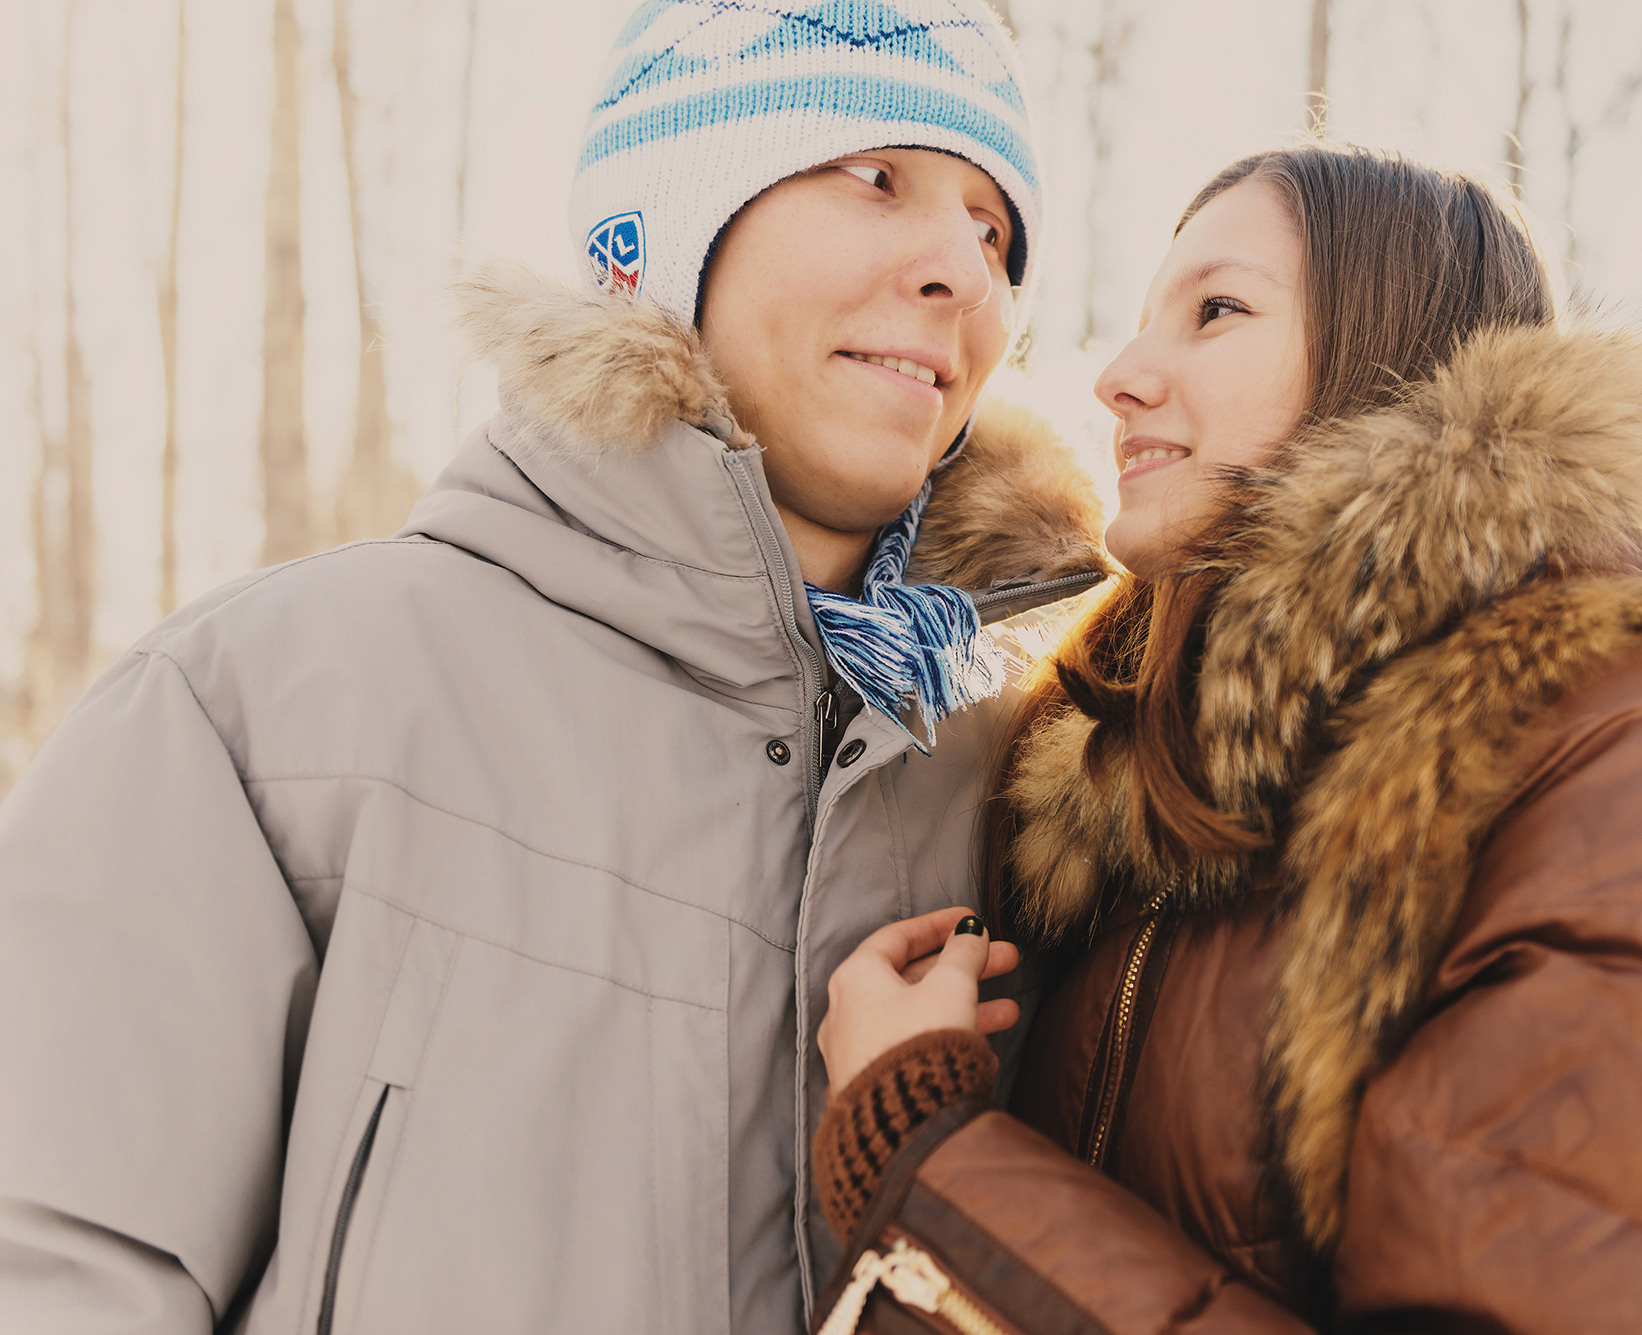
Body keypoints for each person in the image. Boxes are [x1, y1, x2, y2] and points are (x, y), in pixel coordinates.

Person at [0, 2, 1110, 1331]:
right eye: (875, 176)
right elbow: (59, 1263)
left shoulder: (1047, 778)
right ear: (668, 233)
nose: (963, 273)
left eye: (996, 231)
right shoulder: (269, 704)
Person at [809, 146, 1642, 1334]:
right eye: (1137, 324)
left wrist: (927, 1165)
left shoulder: (1628, 761)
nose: (1119, 377)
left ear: (1390, 352)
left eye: (1214, 311)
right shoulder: (1180, 780)